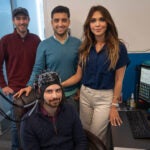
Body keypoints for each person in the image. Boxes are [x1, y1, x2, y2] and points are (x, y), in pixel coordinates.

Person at [61, 5, 130, 146]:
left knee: (97, 137)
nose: (97, 24)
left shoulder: (118, 47)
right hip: (85, 96)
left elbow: (118, 80)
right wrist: (58, 85)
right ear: (89, 25)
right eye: (93, 21)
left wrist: (114, 106)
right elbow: (78, 76)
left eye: (101, 20)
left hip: (105, 98)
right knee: (84, 134)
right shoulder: (85, 47)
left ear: (108, 23)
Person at [14, 6, 81, 111]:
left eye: (64, 20)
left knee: (71, 125)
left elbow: (81, 70)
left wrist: (80, 88)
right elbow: (38, 68)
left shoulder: (78, 44)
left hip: (73, 95)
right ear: (51, 23)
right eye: (56, 20)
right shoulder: (43, 45)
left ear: (69, 22)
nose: (60, 24)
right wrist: (29, 86)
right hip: (51, 95)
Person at [0, 7, 41, 150]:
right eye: (18, 19)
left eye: (24, 18)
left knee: (35, 121)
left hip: (33, 89)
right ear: (13, 21)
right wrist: (3, 85)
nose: (22, 22)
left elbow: (41, 64)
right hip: (15, 91)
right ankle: (16, 148)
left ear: (28, 20)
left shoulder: (36, 39)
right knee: (15, 124)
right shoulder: (5, 41)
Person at [20, 71, 87, 150]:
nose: (55, 96)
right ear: (40, 92)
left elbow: (81, 141)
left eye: (58, 90)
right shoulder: (28, 121)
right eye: (49, 91)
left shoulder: (70, 110)